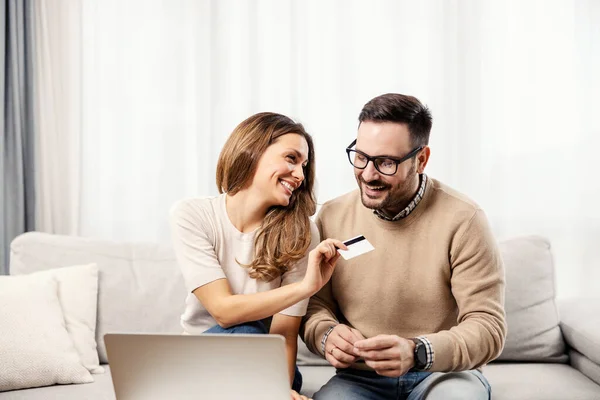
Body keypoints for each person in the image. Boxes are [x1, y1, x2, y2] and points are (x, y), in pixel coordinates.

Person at [300, 93, 506, 400]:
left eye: (386, 162)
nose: (368, 175)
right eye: (361, 156)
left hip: (444, 375)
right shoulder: (331, 216)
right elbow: (314, 305)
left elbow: (488, 327)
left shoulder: (464, 219)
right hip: (360, 379)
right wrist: (326, 334)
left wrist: (417, 351)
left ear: (421, 159)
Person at [169, 112, 346, 400]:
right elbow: (223, 311)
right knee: (245, 330)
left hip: (262, 362)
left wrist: (280, 390)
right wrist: (305, 288)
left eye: (304, 166)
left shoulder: (301, 233)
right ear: (252, 149)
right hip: (203, 353)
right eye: (291, 158)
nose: (300, 176)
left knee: (253, 338)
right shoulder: (193, 215)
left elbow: (284, 334)